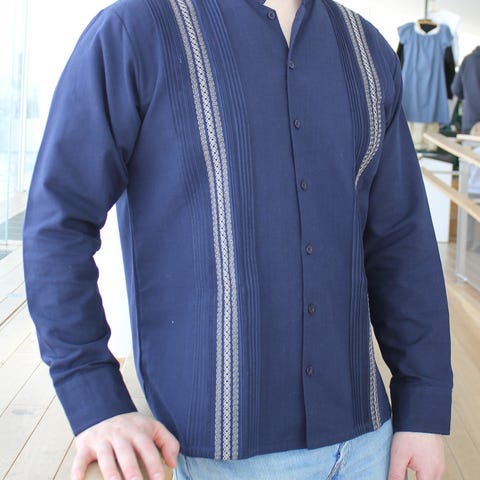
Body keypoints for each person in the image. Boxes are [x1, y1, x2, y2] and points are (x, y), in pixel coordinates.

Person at [23, 0, 452, 479]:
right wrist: (94, 398)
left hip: (368, 445)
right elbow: (58, 220)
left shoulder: (368, 50)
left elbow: (401, 242)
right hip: (208, 456)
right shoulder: (136, 30)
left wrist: (424, 407)